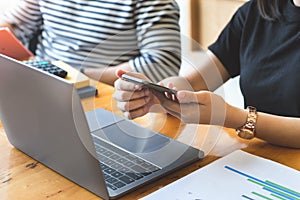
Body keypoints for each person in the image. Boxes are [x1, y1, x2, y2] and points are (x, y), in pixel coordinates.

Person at [113, 0, 300, 148]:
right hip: (259, 154)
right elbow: (194, 82)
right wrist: (156, 94)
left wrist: (232, 117)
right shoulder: (256, 11)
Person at [0, 0, 181, 85]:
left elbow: (163, 64)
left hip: (101, 93)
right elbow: (13, 26)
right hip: (40, 80)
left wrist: (76, 76)